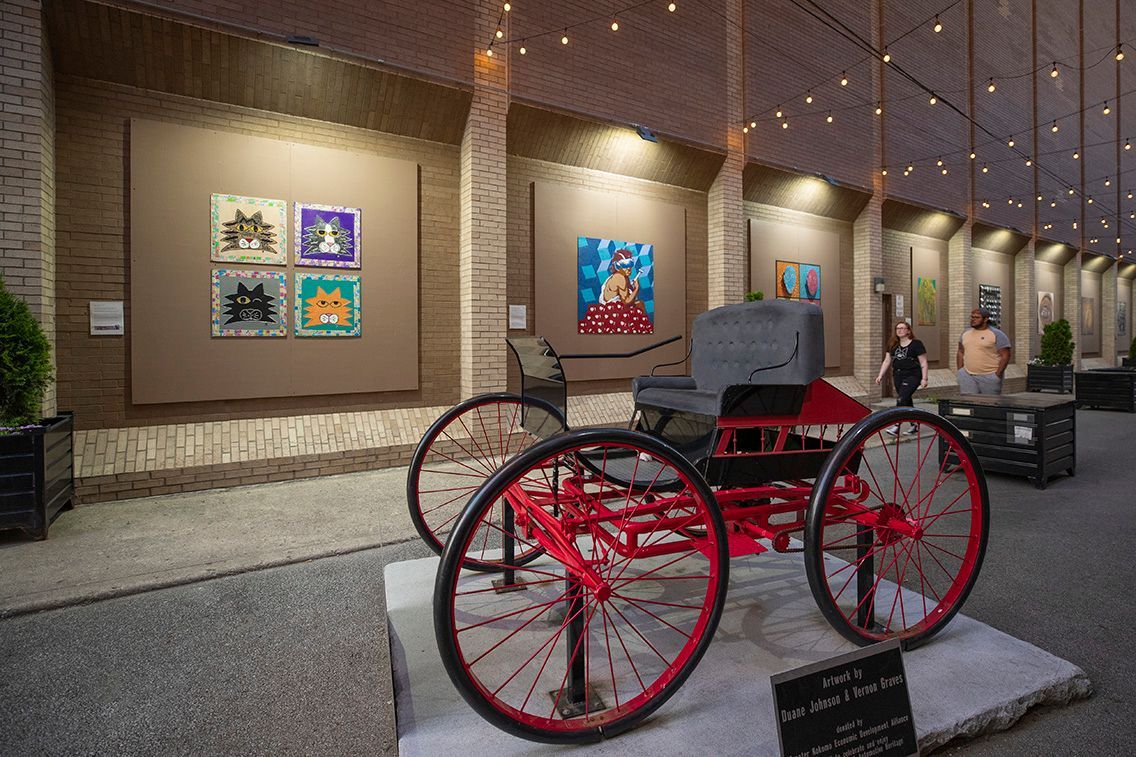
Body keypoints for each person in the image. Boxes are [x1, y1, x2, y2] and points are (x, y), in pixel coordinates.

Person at [875, 320, 928, 435]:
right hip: (898, 375)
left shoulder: (916, 344)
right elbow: (887, 361)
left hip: (913, 375)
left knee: (901, 399)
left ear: (908, 331)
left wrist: (924, 378)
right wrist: (880, 375)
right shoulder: (892, 344)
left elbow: (923, 362)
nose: (899, 330)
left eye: (902, 328)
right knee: (906, 400)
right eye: (898, 328)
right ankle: (914, 424)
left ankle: (896, 425)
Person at [957, 307, 1011, 394]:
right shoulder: (965, 333)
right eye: (972, 317)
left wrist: (997, 375)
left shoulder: (997, 334)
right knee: (968, 401)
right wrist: (960, 371)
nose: (973, 319)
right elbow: (960, 351)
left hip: (989, 376)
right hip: (967, 376)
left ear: (986, 319)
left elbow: (1005, 355)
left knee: (989, 401)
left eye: (977, 317)